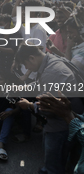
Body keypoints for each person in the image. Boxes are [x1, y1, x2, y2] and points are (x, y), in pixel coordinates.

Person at [16, 44, 84, 174]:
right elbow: (41, 83)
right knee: (61, 158)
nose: (26, 68)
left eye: (25, 64)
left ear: (31, 58)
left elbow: (48, 109)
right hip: (70, 118)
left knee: (55, 161)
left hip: (61, 125)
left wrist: (29, 105)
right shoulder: (51, 60)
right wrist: (24, 88)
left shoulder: (52, 72)